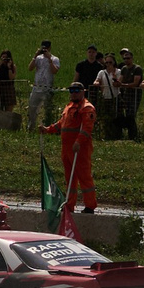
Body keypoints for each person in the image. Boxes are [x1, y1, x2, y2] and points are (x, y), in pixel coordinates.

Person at [42, 81, 98, 217]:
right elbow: (62, 124)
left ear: (82, 91)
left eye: (76, 90)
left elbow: (87, 128)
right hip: (66, 148)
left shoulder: (87, 108)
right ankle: (69, 204)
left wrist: (79, 141)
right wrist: (47, 130)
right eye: (71, 90)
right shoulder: (69, 107)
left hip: (80, 149)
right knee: (69, 178)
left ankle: (90, 206)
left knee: (84, 176)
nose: (73, 93)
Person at [27, 40, 60, 131]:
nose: (44, 50)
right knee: (32, 108)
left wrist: (49, 59)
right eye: (43, 48)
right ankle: (30, 128)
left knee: (47, 109)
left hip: (47, 88)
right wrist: (35, 56)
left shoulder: (54, 59)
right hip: (36, 87)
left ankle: (47, 128)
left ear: (49, 48)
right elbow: (30, 68)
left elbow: (54, 71)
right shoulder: (38, 58)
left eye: (46, 48)